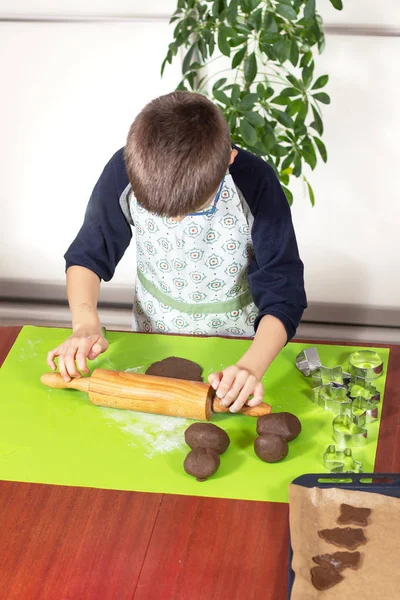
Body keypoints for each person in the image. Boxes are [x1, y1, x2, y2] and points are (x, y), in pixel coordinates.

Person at [47, 91, 307, 413]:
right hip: (152, 333)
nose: (175, 221)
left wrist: (251, 367)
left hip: (239, 348)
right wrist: (84, 323)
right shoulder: (124, 168)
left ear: (228, 159)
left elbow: (284, 291)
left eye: (191, 209)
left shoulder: (257, 185)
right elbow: (88, 253)